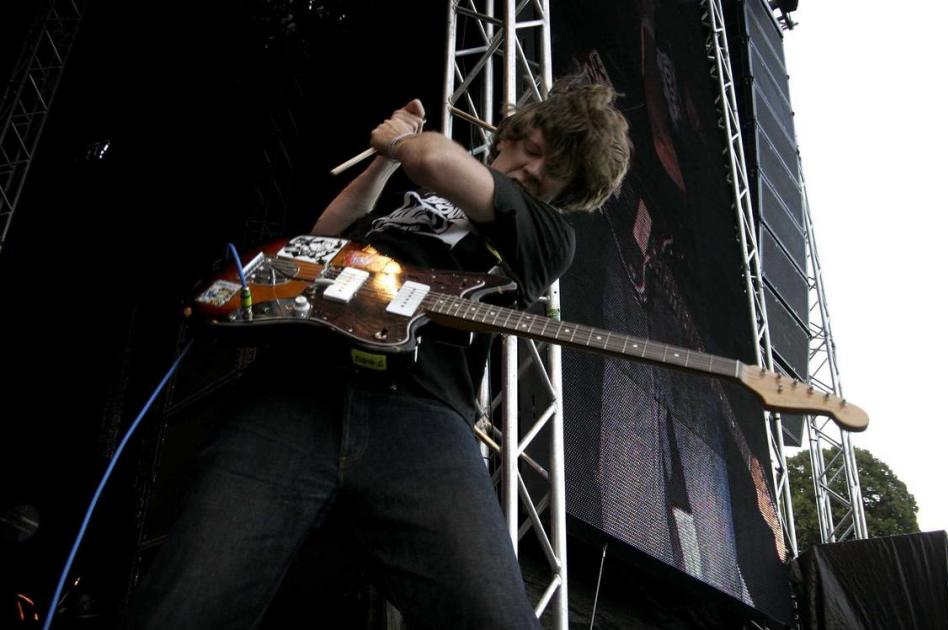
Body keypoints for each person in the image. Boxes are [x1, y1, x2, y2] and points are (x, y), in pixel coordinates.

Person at [124, 77, 631, 629]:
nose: (533, 171)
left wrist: (400, 143)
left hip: (422, 414)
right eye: (532, 149)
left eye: (552, 173)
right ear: (508, 134)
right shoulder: (416, 205)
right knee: (184, 603)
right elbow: (320, 240)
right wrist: (382, 165)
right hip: (297, 392)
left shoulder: (546, 235)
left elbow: (435, 157)